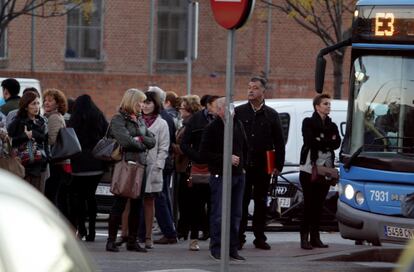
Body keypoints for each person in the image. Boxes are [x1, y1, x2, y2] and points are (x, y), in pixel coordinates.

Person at [236, 76, 285, 250]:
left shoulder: (271, 114)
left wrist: (278, 165)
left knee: (261, 202)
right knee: (241, 202)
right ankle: (239, 236)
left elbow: (279, 142)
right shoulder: (239, 112)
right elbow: (234, 139)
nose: (251, 90)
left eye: (255, 88)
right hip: (243, 165)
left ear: (263, 91)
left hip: (263, 165)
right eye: (249, 87)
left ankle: (260, 237)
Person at [106, 88, 155, 252]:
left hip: (140, 165)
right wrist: (141, 143)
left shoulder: (140, 119)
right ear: (132, 101)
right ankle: (111, 241)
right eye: (140, 101)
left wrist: (140, 138)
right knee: (119, 204)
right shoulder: (118, 119)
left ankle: (132, 241)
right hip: (125, 164)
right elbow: (125, 141)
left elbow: (152, 140)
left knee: (137, 204)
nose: (142, 105)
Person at [199, 97, 247, 261]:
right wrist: (226, 157)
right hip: (220, 175)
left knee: (236, 214)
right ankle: (217, 248)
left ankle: (232, 247)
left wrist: (244, 165)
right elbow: (204, 153)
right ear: (219, 110)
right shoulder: (212, 128)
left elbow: (245, 147)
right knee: (219, 213)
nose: (232, 110)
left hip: (238, 175)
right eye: (227, 107)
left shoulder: (237, 124)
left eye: (232, 107)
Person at [298, 93, 340, 250]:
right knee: (308, 204)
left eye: (329, 104)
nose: (328, 106)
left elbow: (337, 143)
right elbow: (309, 141)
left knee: (319, 205)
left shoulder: (332, 125)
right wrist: (326, 141)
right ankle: (304, 238)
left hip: (326, 170)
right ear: (317, 107)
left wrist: (321, 141)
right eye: (325, 104)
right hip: (309, 169)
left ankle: (316, 238)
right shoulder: (308, 122)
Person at [68, 94, 108, 242]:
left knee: (77, 196)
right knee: (91, 196)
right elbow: (106, 135)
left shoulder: (74, 119)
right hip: (96, 162)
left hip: (78, 163)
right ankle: (92, 230)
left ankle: (81, 227)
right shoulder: (98, 116)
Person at [180, 95, 219, 244]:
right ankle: (194, 236)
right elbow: (184, 144)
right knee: (196, 203)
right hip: (198, 168)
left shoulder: (221, 120)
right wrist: (197, 156)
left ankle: (211, 234)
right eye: (216, 105)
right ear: (208, 105)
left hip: (215, 167)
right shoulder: (195, 120)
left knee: (214, 203)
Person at [146, 86, 178, 245]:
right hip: (162, 164)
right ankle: (167, 230)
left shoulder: (163, 119)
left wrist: (158, 164)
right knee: (160, 197)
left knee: (159, 198)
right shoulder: (165, 117)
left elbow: (165, 144)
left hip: (161, 165)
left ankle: (169, 232)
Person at [173, 95, 203, 250]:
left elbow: (186, 146)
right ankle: (184, 229)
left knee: (187, 201)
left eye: (182, 107)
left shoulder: (191, 124)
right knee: (183, 200)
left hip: (187, 167)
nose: (180, 110)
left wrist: (172, 147)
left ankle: (185, 230)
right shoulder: (184, 123)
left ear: (189, 109)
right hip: (182, 167)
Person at [141, 91, 170, 249]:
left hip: (152, 168)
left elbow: (164, 148)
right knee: (132, 202)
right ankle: (131, 234)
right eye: (143, 102)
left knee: (149, 201)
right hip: (136, 166)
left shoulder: (162, 123)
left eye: (149, 102)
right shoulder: (137, 120)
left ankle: (148, 236)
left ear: (155, 104)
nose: (145, 106)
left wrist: (158, 165)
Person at [7, 91, 48, 191]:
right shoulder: (18, 121)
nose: (37, 107)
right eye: (33, 104)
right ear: (26, 106)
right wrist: (25, 136)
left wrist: (33, 134)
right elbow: (11, 141)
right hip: (21, 165)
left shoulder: (41, 121)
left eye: (38, 103)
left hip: (38, 165)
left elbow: (45, 140)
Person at [42, 88, 70, 217]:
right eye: (45, 100)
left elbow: (52, 140)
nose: (46, 103)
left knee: (50, 196)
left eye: (50, 100)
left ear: (58, 103)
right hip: (59, 162)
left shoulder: (53, 117)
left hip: (55, 162)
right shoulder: (54, 116)